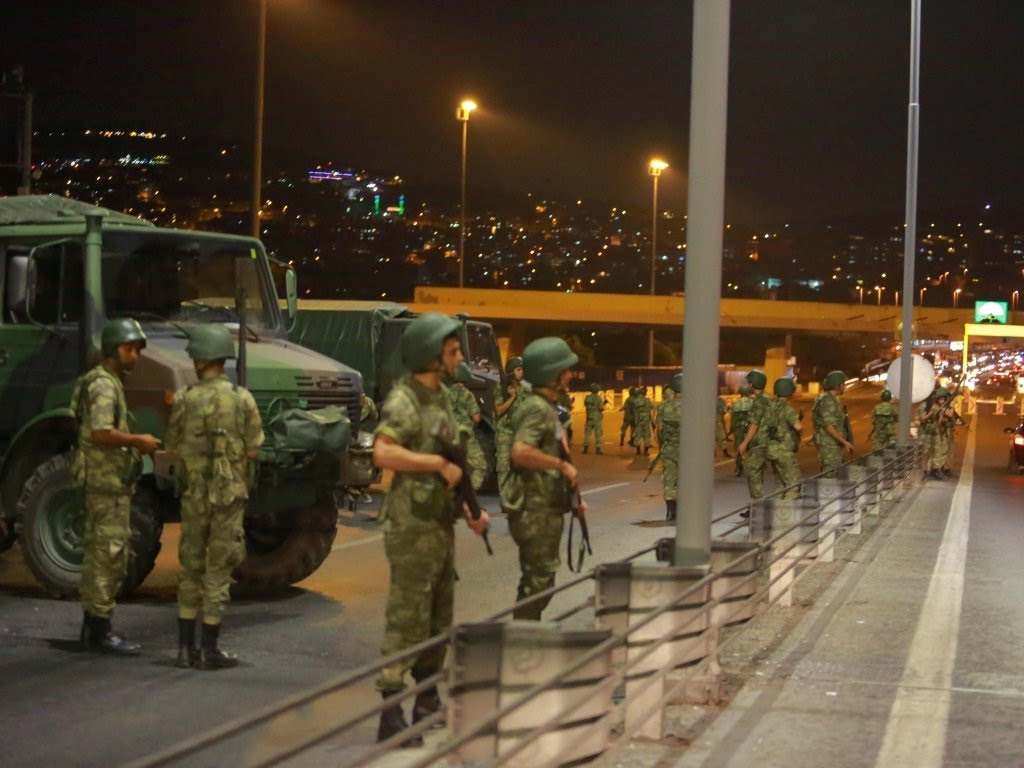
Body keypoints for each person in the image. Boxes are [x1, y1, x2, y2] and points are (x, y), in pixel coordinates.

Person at [372, 313, 490, 744]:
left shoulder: (440, 396)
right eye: (453, 350)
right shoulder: (405, 400)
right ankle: (390, 710)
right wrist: (435, 464)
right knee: (408, 616)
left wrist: (472, 513)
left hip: (438, 523)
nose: (460, 357)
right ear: (431, 355)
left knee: (439, 619)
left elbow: (453, 462)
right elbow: (383, 453)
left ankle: (426, 701)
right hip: (411, 525)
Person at [165, 325, 264, 670]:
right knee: (218, 570)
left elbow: (172, 446)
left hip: (193, 495)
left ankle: (183, 649)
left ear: (202, 359)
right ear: (223, 359)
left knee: (190, 566)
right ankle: (209, 649)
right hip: (228, 496)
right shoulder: (242, 399)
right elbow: (254, 450)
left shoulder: (184, 398)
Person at [71, 318, 161, 656]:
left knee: (105, 553)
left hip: (109, 482)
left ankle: (95, 625)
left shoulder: (107, 382)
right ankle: (99, 630)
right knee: (106, 555)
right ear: (112, 349)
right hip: (104, 484)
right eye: (130, 348)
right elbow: (101, 432)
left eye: (138, 349)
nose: (135, 355)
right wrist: (138, 440)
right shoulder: (104, 386)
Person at [504, 337, 585, 620]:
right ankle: (522, 640)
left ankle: (524, 635)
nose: (570, 375)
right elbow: (521, 452)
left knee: (540, 579)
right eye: (566, 370)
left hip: (545, 505)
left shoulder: (546, 407)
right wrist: (562, 468)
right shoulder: (537, 408)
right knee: (538, 580)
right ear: (552, 373)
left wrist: (572, 498)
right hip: (533, 509)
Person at [738, 376, 802, 499]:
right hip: (783, 449)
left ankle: (767, 507)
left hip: (768, 446)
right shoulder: (786, 408)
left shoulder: (768, 405)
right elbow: (798, 427)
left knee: (778, 482)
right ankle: (784, 514)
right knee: (791, 485)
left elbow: (755, 424)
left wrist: (745, 442)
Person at [446, 361, 487, 490]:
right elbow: (476, 417)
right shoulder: (466, 394)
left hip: (447, 436)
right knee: (479, 466)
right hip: (465, 436)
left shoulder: (443, 393)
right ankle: (469, 495)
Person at [494, 356, 526, 498]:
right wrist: (511, 397)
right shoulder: (502, 388)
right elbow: (498, 410)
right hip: (505, 433)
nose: (522, 372)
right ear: (511, 372)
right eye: (518, 369)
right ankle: (505, 499)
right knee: (504, 467)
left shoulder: (525, 389)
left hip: (519, 433)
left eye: (522, 369)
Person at [812, 370, 853, 476]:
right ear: (837, 386)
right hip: (829, 445)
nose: (845, 386)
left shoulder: (832, 399)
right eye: (843, 384)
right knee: (830, 477)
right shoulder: (828, 401)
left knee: (834, 474)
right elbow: (828, 426)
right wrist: (844, 442)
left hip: (831, 444)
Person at [656, 374, 683, 520]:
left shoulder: (663, 406)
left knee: (669, 479)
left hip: (669, 447)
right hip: (688, 451)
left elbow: (659, 430)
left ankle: (670, 511)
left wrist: (662, 447)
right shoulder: (694, 406)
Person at [730, 385, 754, 477]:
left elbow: (733, 418)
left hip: (738, 427)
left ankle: (739, 466)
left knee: (739, 447)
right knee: (752, 447)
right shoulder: (753, 402)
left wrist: (732, 430)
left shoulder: (735, 403)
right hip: (749, 426)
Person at [582, 383, 607, 454]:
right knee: (598, 433)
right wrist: (604, 404)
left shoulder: (587, 398)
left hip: (589, 417)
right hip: (597, 418)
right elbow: (601, 408)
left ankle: (585, 448)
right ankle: (598, 449)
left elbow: (586, 406)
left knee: (587, 433)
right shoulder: (598, 398)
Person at [632, 387, 655, 456]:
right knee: (647, 436)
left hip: (638, 420)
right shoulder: (647, 401)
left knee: (638, 435)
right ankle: (646, 452)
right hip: (646, 420)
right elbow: (653, 408)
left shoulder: (635, 401)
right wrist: (652, 420)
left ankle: (638, 451)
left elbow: (634, 411)